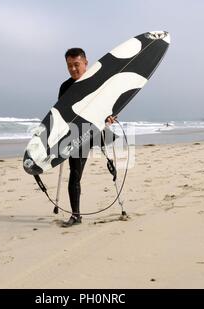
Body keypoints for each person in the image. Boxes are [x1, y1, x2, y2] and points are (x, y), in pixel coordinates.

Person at [58, 48, 116, 227]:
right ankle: (76, 215)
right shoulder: (65, 87)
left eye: (76, 65)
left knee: (113, 164)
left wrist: (111, 117)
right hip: (78, 133)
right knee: (75, 174)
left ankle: (119, 194)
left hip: (98, 130)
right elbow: (61, 113)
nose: (73, 69)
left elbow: (111, 105)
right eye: (69, 66)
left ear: (85, 63)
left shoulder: (97, 82)